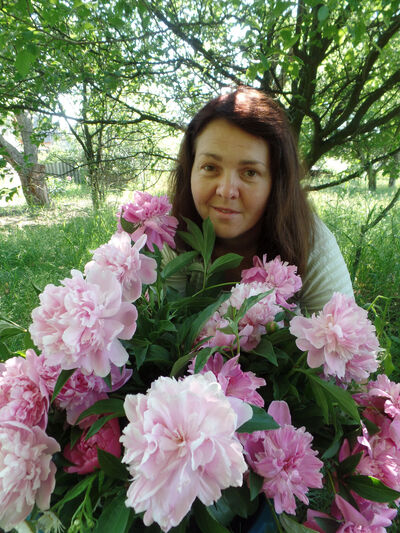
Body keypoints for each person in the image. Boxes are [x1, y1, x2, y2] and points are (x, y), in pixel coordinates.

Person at [167, 86, 353, 313]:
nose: (227, 191)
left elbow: (343, 331)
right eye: (210, 167)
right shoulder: (168, 234)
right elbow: (161, 326)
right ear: (189, 171)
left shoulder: (311, 242)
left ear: (277, 182)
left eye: (250, 172)